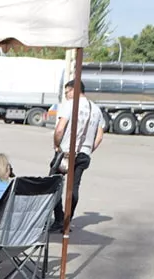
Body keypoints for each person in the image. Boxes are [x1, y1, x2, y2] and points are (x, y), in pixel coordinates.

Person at [48, 80, 104, 232]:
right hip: (84, 153)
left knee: (52, 184)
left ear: (74, 90)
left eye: (67, 92)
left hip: (65, 152)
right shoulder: (96, 109)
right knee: (74, 187)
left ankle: (59, 219)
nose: (66, 96)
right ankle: (68, 220)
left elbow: (60, 129)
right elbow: (99, 135)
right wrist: (88, 149)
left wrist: (57, 145)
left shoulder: (70, 105)